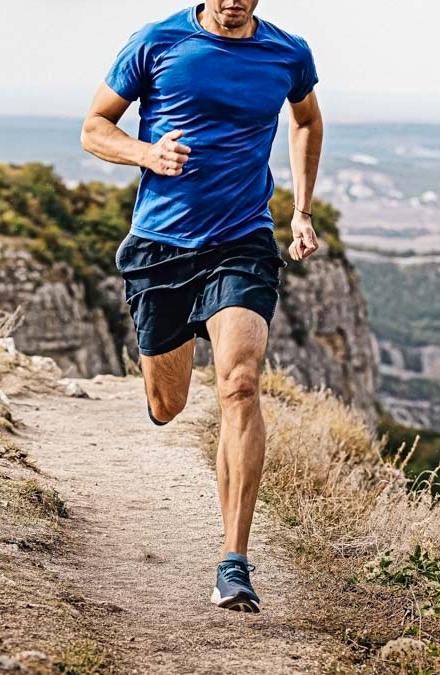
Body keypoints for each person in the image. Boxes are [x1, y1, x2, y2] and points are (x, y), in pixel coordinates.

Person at [80, 0, 323, 613]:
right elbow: (94, 127)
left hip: (242, 241)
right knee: (169, 404)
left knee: (240, 385)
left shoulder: (287, 52)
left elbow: (306, 121)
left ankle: (233, 562)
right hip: (161, 247)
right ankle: (172, 358)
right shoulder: (158, 41)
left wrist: (300, 209)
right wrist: (145, 154)